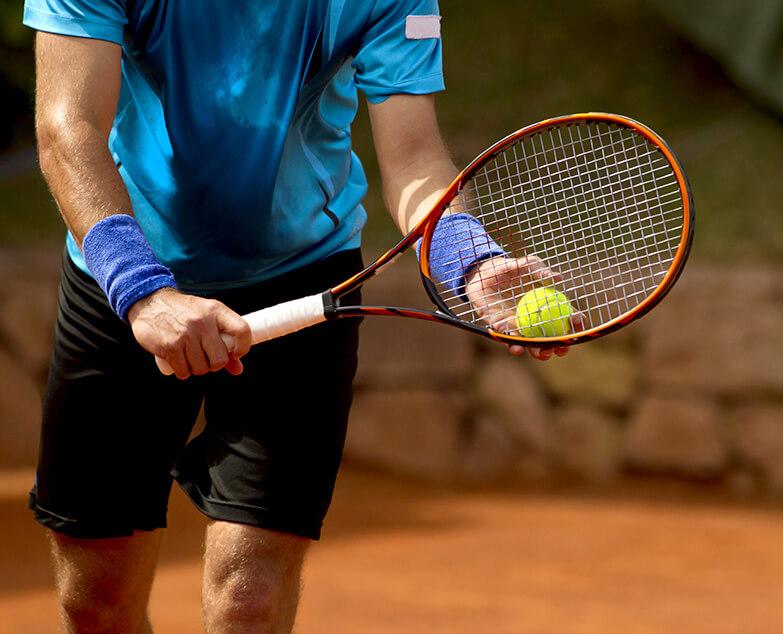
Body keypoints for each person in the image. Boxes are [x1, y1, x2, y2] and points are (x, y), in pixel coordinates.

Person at [25, 1, 570, 632]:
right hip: (121, 278)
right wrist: (143, 291)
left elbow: (415, 158)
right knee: (93, 603)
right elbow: (67, 128)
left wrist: (469, 263)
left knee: (249, 601)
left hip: (303, 277)